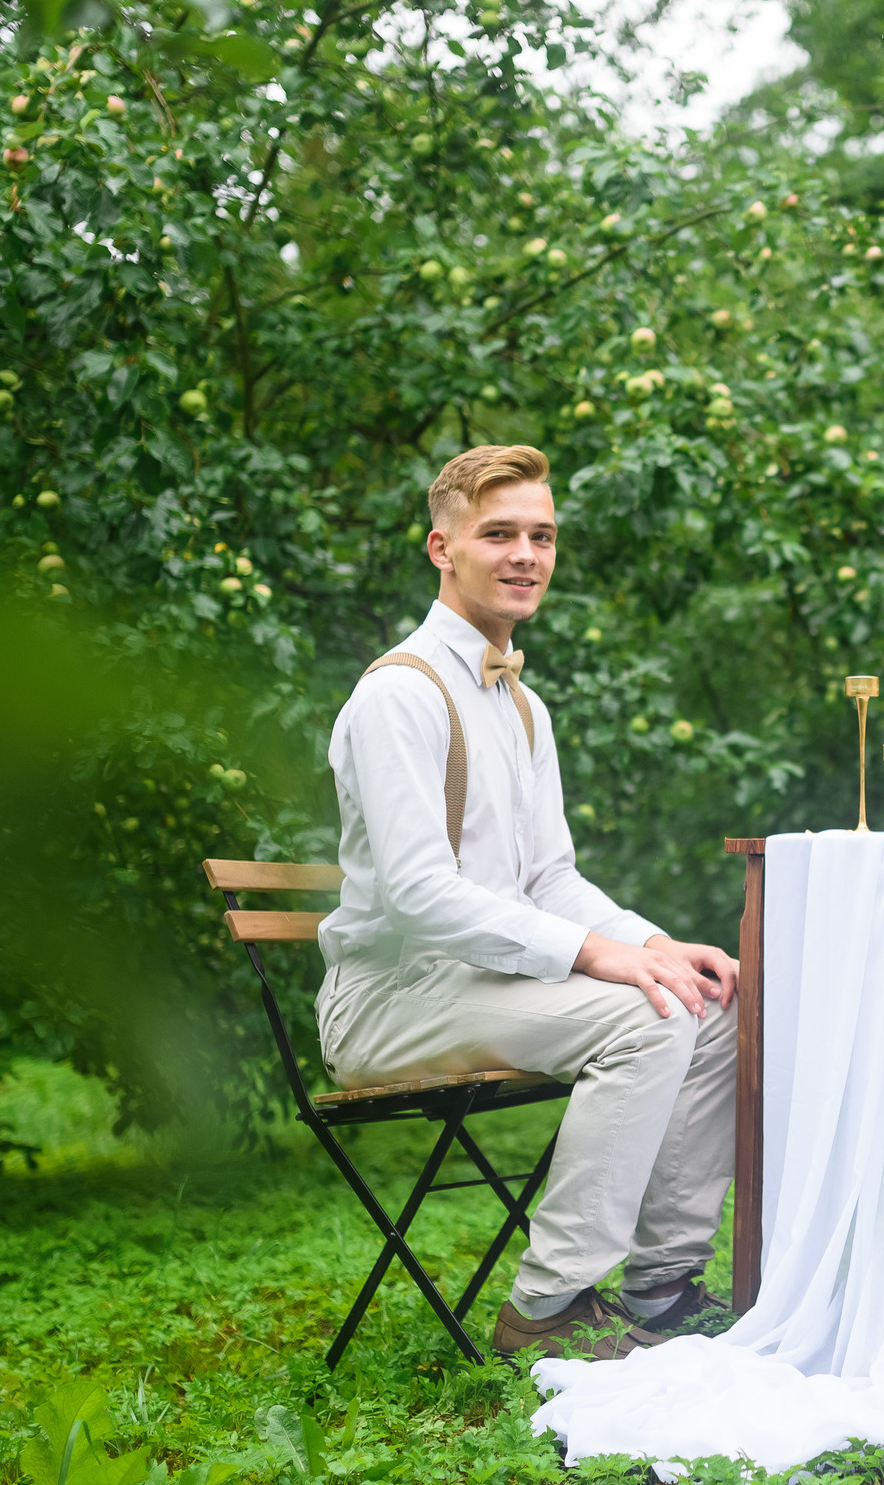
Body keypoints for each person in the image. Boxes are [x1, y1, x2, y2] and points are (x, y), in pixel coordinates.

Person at [316, 444, 742, 1362]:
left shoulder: (522, 705)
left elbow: (552, 879)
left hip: (480, 984)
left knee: (705, 1007)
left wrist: (657, 943)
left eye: (541, 536)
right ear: (442, 548)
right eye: (498, 533)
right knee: (645, 1021)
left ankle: (662, 1286)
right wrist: (596, 957)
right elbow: (421, 894)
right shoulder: (399, 695)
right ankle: (546, 1310)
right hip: (391, 1000)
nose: (525, 555)